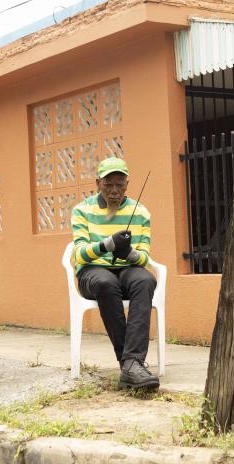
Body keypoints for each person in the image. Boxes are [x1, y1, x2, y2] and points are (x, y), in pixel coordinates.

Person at [70, 157, 158, 390]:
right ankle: (130, 364)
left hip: (127, 269)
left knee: (146, 279)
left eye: (120, 184)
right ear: (98, 183)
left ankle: (131, 364)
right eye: (108, 185)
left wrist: (128, 253)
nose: (114, 191)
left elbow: (144, 258)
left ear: (127, 185)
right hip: (92, 272)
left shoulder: (140, 212)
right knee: (106, 282)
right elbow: (78, 255)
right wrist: (106, 245)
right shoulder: (81, 210)